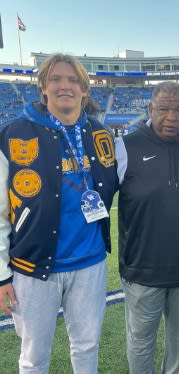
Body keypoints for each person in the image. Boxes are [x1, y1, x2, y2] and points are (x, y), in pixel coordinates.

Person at [0, 53, 117, 374]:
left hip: (90, 263)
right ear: (43, 88)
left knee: (87, 347)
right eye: (56, 79)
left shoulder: (100, 134)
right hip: (32, 267)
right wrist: (1, 275)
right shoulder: (12, 134)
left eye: (72, 80)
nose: (65, 86)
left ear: (84, 89)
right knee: (34, 356)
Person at [116, 82, 179, 374]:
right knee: (141, 341)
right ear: (149, 109)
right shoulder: (127, 146)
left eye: (178, 110)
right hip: (142, 268)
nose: (171, 116)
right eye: (164, 108)